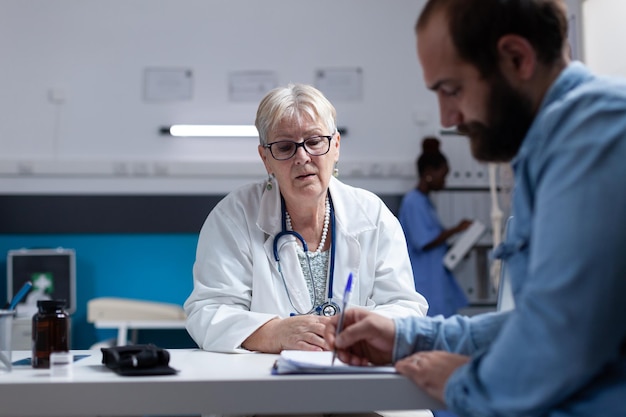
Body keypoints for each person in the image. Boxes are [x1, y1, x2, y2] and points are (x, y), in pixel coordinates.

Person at [325, 1, 626, 416]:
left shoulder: (597, 138)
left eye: (452, 90)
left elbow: (558, 342)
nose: (448, 117)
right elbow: (536, 324)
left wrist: (462, 381)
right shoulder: (557, 147)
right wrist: (406, 337)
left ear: (517, 58)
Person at [184, 83, 428, 354]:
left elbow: (407, 309)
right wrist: (273, 333)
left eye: (314, 142)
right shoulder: (234, 217)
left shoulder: (374, 216)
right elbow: (208, 313)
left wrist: (360, 332)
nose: (302, 157)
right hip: (265, 385)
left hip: (355, 378)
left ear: (335, 146)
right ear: (266, 158)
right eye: (285, 147)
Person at [398, 136, 471, 317]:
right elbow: (424, 241)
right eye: (443, 176)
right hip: (425, 280)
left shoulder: (425, 202)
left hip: (435, 277)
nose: (444, 182)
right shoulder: (413, 202)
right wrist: (456, 229)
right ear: (429, 172)